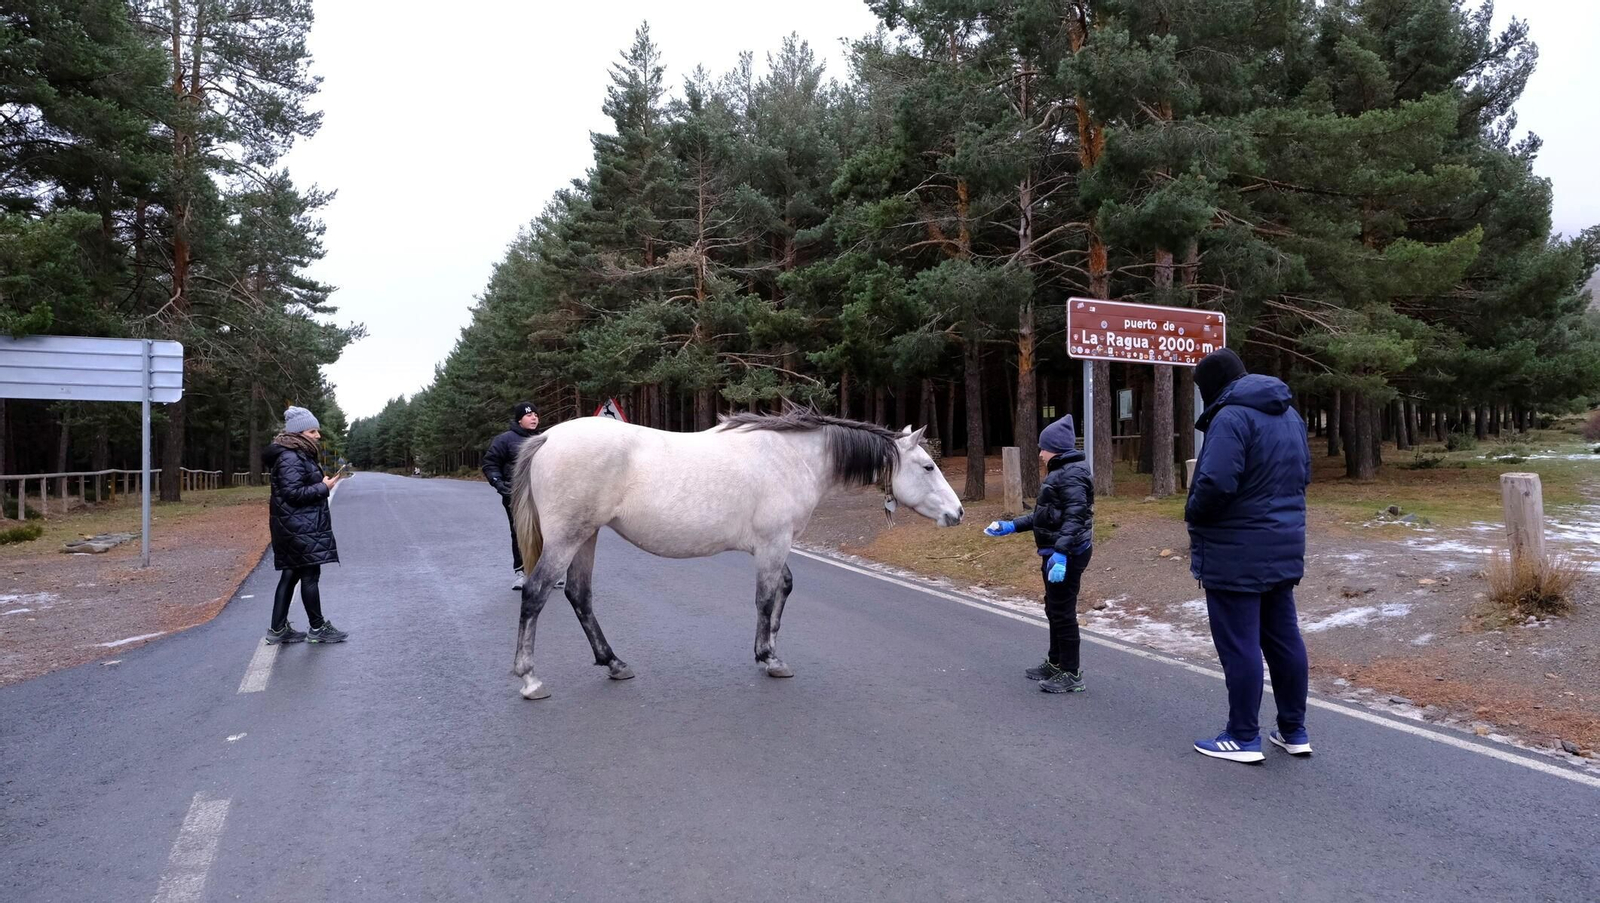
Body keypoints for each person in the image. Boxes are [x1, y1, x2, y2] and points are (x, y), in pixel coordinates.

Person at [1186, 348, 1312, 764]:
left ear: (1212, 386)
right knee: (1283, 639)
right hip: (1283, 542)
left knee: (1240, 644)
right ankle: (1293, 730)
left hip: (1235, 549)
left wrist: (1193, 512)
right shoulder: (1289, 415)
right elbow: (1303, 475)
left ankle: (1242, 735)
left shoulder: (1231, 417)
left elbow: (1217, 482)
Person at [982, 415, 1095, 693]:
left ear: (1054, 448)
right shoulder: (1061, 473)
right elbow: (1045, 516)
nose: (1041, 453)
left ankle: (1071, 672)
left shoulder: (1072, 474)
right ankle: (1056, 662)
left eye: (1043, 448)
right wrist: (1011, 526)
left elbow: (1076, 517)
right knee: (1052, 608)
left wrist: (1061, 553)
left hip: (1067, 553)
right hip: (1056, 551)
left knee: (1062, 612)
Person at [263, 406, 349, 645]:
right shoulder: (291, 456)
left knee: (291, 575)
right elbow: (292, 493)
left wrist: (319, 482)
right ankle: (318, 627)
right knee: (310, 574)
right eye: (313, 431)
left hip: (294, 524)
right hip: (298, 525)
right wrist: (324, 487)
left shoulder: (295, 454)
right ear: (299, 433)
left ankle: (278, 629)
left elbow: (295, 487)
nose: (318, 436)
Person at [483, 401, 540, 590]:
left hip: (542, 495)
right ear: (519, 419)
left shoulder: (543, 439)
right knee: (521, 532)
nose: (534, 418)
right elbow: (490, 464)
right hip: (515, 496)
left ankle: (544, 572)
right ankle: (523, 572)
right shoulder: (505, 440)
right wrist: (498, 483)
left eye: (536, 415)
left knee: (545, 532)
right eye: (529, 415)